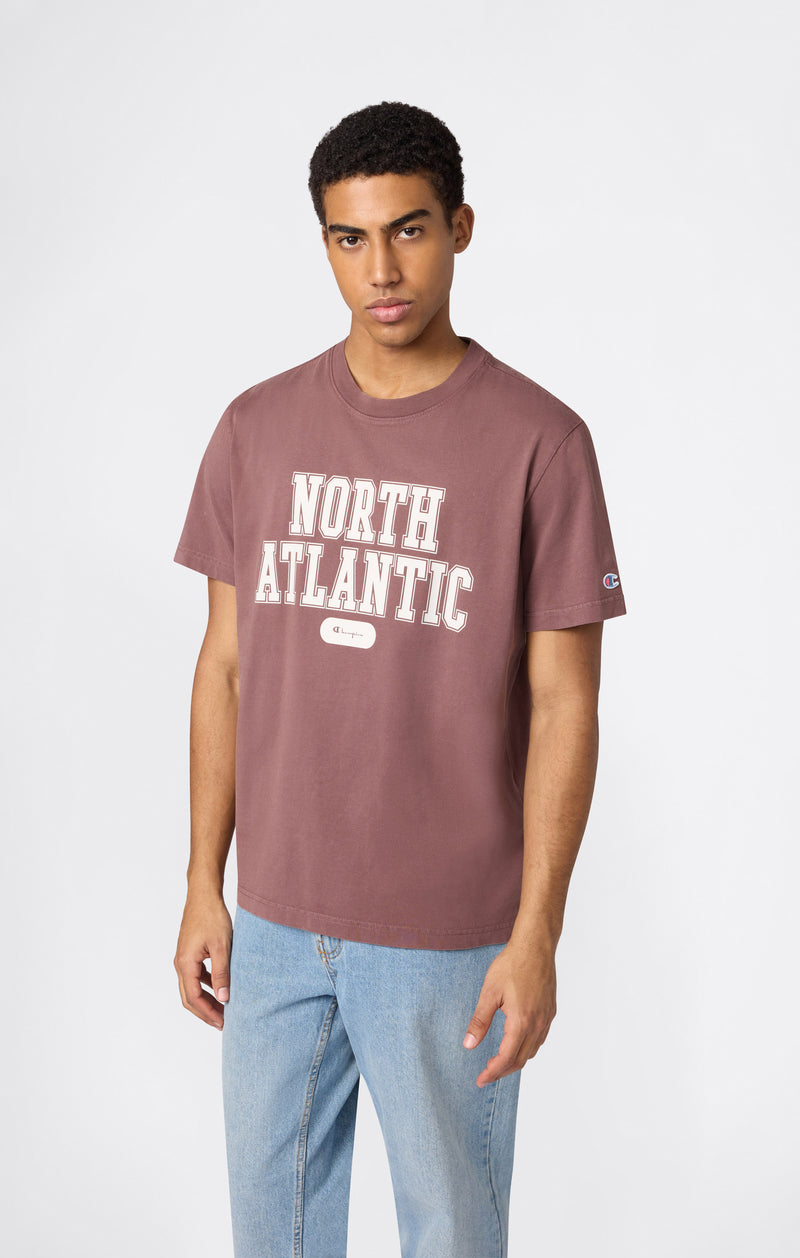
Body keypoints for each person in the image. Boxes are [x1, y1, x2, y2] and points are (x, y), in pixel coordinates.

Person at [172, 100, 627, 1258]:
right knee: (270, 1236)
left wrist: (535, 933)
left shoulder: (539, 442)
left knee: (451, 1235)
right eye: (349, 238)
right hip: (275, 921)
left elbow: (565, 704)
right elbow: (223, 666)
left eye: (408, 231)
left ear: (458, 227)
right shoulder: (254, 429)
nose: (380, 270)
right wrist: (202, 881)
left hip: (448, 933)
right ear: (324, 243)